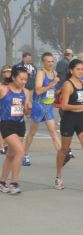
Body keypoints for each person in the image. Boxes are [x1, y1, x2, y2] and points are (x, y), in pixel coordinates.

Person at [54, 59, 83, 191]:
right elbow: (64, 106)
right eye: (78, 69)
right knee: (64, 149)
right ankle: (58, 177)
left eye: (82, 69)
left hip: (81, 118)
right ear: (71, 70)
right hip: (69, 119)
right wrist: (82, 106)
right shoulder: (67, 85)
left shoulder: (82, 83)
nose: (81, 71)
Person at [23, 52, 62, 166]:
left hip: (49, 106)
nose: (50, 63)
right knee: (32, 132)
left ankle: (62, 154)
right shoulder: (41, 73)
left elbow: (53, 91)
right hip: (39, 106)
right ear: (43, 62)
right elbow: (38, 90)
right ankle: (25, 154)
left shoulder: (54, 73)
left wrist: (60, 90)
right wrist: (52, 84)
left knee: (53, 131)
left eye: (52, 61)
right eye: (48, 61)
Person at [0, 66, 31, 194]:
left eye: (26, 79)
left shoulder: (26, 92)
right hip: (6, 124)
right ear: (13, 77)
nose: (24, 82)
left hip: (20, 124)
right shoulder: (3, 89)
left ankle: (2, 182)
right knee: (20, 152)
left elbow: (25, 111)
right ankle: (14, 183)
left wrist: (28, 108)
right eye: (21, 79)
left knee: (11, 155)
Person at [0, 65, 12, 154]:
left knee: (10, 128)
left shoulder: (15, 83)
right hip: (2, 108)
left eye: (9, 71)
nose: (7, 73)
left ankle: (7, 145)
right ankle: (1, 146)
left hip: (12, 108)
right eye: (5, 71)